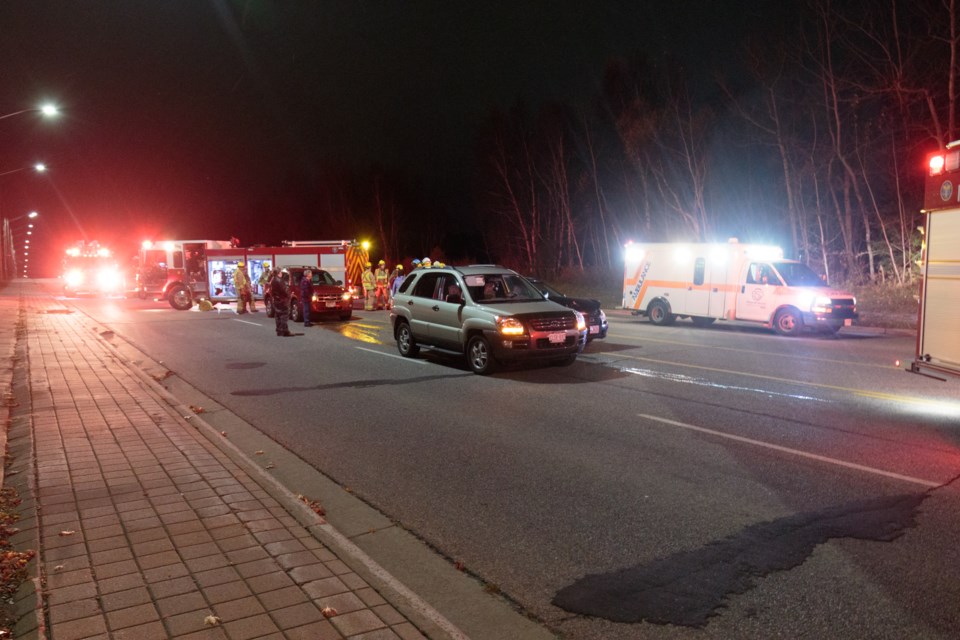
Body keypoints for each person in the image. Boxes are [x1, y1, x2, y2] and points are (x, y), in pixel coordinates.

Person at [270, 268, 293, 336]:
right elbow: (284, 290)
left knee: (278, 315)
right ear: (279, 273)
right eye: (281, 272)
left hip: (276, 300)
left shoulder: (273, 280)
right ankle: (284, 331)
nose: (282, 273)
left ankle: (279, 330)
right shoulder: (280, 281)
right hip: (282, 300)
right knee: (284, 315)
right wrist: (289, 295)